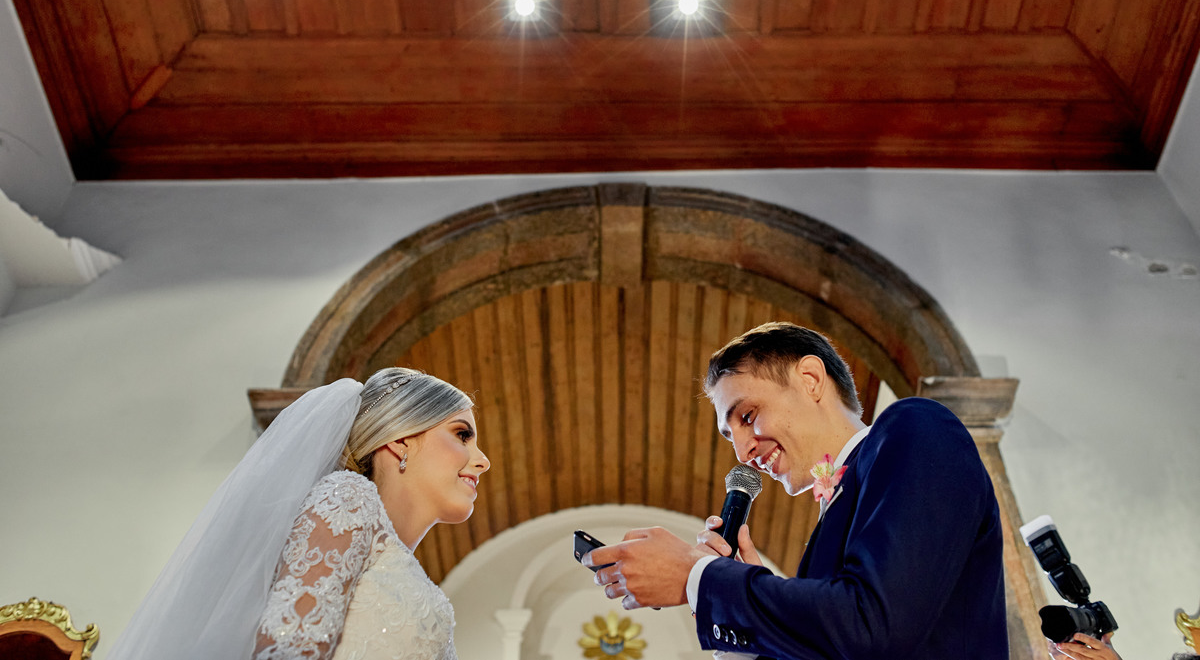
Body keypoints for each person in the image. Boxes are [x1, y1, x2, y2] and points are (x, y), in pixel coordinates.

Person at [583, 321, 1008, 660]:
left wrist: (701, 576)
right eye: (728, 434)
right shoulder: (826, 530)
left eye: (747, 415)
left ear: (810, 379)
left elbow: (875, 629)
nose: (743, 450)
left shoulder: (915, 428)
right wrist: (743, 618)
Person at [107, 367, 489, 660]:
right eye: (461, 434)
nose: (482, 461)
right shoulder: (348, 499)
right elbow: (289, 649)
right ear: (401, 439)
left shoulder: (399, 565)